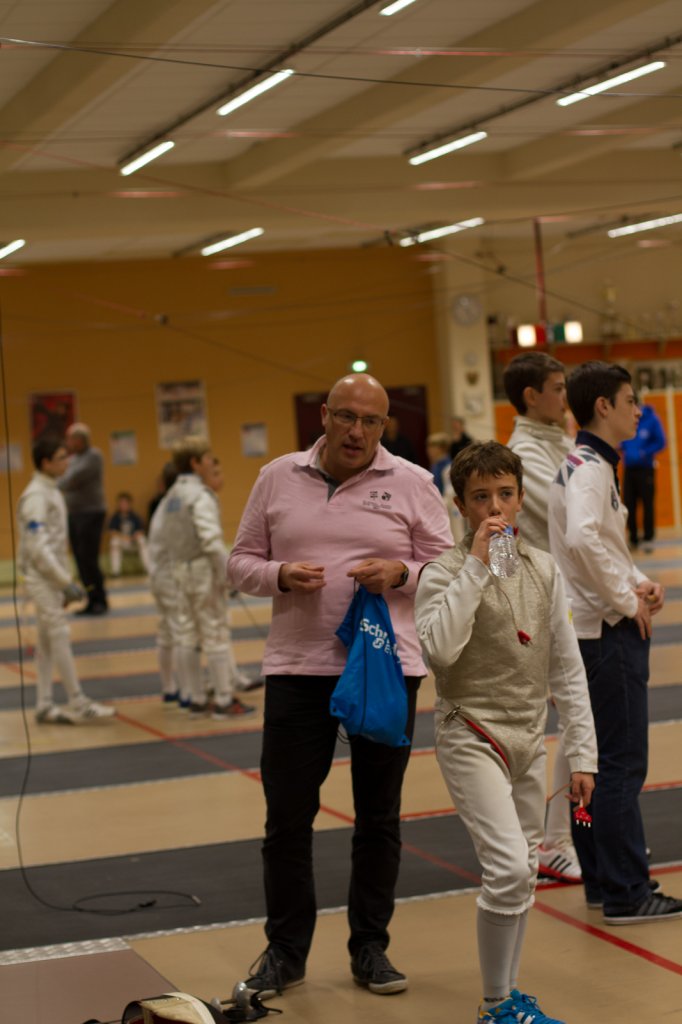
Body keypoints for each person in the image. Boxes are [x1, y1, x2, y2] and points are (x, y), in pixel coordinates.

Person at [227, 373, 452, 999]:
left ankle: (370, 948)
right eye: (347, 416)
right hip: (297, 669)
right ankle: (285, 953)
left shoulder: (413, 481)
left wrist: (401, 571)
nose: (357, 431)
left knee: (378, 816)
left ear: (385, 426)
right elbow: (239, 562)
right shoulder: (277, 476)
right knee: (286, 819)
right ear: (324, 416)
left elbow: (450, 566)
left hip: (384, 669)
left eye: (371, 421)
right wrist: (278, 575)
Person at [415, 440, 597, 1024]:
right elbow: (440, 651)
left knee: (525, 874)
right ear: (461, 506)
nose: (494, 507)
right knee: (509, 869)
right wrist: (476, 564)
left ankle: (509, 996)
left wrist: (583, 756)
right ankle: (495, 1006)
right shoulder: (442, 573)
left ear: (520, 498)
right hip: (470, 731)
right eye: (480, 497)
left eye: (504, 494)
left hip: (528, 738)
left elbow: (566, 667)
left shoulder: (542, 568)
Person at [549, 361, 682, 924]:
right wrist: (627, 602)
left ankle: (604, 881)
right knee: (620, 765)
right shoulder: (590, 469)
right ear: (603, 406)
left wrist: (637, 581)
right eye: (631, 400)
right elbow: (582, 540)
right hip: (604, 633)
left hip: (588, 628)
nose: (639, 410)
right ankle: (627, 891)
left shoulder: (588, 463)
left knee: (595, 762)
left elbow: (602, 544)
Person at [503, 352, 580, 884]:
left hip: (568, 602)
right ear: (532, 396)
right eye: (557, 387)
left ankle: (567, 838)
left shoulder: (559, 442)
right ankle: (549, 843)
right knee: (547, 728)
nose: (565, 397)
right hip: (540, 608)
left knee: (579, 723)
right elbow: (570, 531)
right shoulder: (524, 454)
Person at [153, 438, 255, 718]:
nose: (211, 463)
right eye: (208, 458)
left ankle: (195, 698)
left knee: (187, 634)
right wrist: (229, 575)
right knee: (215, 633)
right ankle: (223, 700)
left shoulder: (171, 496)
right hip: (201, 571)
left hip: (179, 570)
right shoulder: (199, 495)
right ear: (195, 463)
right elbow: (210, 540)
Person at [17, 437, 116, 724]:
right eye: (61, 457)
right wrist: (64, 582)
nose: (67, 462)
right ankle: (78, 701)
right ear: (46, 462)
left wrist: (63, 579)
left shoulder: (51, 490)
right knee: (59, 634)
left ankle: (44, 704)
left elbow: (54, 544)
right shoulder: (36, 496)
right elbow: (38, 547)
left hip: (50, 576)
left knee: (47, 640)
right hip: (42, 578)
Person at [58, 422, 108, 615]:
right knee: (80, 560)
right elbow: (63, 477)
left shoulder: (94, 456)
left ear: (79, 440)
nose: (67, 442)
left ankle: (100, 599)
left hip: (91, 513)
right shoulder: (74, 458)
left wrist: (59, 480)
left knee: (89, 559)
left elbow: (70, 480)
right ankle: (91, 599)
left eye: (70, 439)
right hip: (75, 514)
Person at [621, 396, 666, 553]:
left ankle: (648, 538)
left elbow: (661, 441)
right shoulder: (625, 418)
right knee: (629, 503)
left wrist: (644, 452)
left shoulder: (652, 419)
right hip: (629, 468)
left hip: (645, 468)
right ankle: (633, 538)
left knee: (647, 504)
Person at [108, 492, 151, 576]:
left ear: (129, 504)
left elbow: (141, 530)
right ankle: (116, 571)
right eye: (121, 503)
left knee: (142, 540)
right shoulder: (115, 517)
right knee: (114, 541)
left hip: (133, 542)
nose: (123, 505)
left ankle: (148, 568)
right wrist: (124, 537)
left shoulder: (135, 516)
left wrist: (134, 536)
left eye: (125, 503)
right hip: (122, 542)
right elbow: (112, 532)